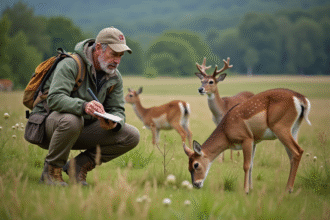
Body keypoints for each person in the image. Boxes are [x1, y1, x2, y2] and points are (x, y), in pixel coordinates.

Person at [30, 26, 140, 186]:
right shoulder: (71, 64)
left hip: (82, 128)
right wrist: (84, 106)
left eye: (120, 56)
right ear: (98, 48)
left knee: (132, 135)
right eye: (114, 54)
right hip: (49, 127)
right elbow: (54, 99)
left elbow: (118, 110)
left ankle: (78, 167)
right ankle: (51, 172)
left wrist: (115, 123)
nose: (117, 60)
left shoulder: (115, 77)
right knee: (73, 120)